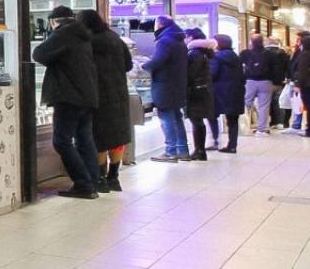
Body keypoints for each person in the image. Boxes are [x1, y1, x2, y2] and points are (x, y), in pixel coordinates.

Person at [32, 5, 102, 197]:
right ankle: (92, 183)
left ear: (54, 21)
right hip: (87, 95)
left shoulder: (63, 33)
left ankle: (83, 184)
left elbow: (38, 54)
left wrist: (51, 37)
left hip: (69, 96)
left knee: (61, 141)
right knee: (84, 140)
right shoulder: (82, 34)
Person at [82, 10, 133, 192]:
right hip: (119, 94)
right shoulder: (115, 38)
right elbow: (129, 65)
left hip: (98, 94)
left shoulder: (88, 42)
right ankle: (114, 178)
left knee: (99, 138)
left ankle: (101, 179)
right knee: (117, 137)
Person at [143, 16, 190, 162]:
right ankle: (183, 151)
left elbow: (158, 60)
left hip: (164, 85)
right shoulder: (179, 41)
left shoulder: (164, 41)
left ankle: (171, 151)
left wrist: (144, 66)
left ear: (159, 25)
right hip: (177, 85)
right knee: (177, 117)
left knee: (166, 117)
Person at [209, 32, 244, 153]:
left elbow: (212, 74)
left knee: (212, 115)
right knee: (233, 119)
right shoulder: (236, 57)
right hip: (235, 91)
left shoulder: (216, 57)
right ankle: (232, 145)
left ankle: (215, 141)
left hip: (219, 91)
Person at [185, 29, 217, 161]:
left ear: (192, 38)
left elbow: (191, 73)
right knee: (198, 120)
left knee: (196, 120)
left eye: (186, 37)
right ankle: (200, 150)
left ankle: (199, 150)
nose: (185, 39)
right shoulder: (205, 52)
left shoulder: (194, 53)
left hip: (196, 91)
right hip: (204, 89)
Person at [242, 34, 277, 134]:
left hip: (250, 81)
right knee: (264, 106)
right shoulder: (270, 54)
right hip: (266, 82)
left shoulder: (245, 53)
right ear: (263, 42)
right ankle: (262, 129)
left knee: (246, 103)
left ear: (251, 42)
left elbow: (241, 66)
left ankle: (243, 126)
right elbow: (275, 69)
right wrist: (275, 81)